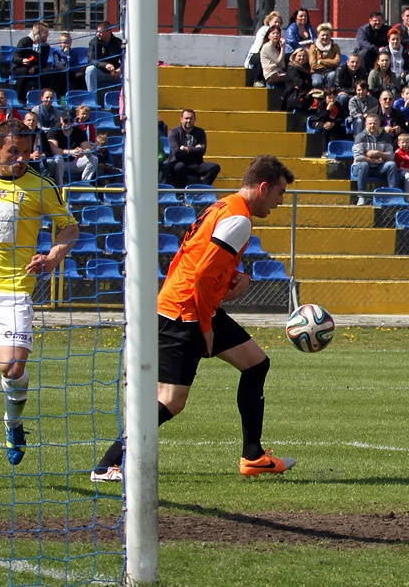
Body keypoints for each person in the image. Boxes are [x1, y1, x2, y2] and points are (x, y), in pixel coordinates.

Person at [91, 155, 297, 483]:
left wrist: (241, 276)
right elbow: (202, 274)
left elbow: (201, 256)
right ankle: (108, 464)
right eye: (280, 193)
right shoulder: (239, 219)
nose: (280, 201)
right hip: (185, 311)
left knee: (256, 363)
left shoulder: (225, 207)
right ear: (262, 188)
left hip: (193, 304)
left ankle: (253, 456)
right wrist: (205, 328)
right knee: (171, 400)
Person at [0, 119, 79, 466]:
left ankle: (13, 422)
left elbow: (68, 228)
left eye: (26, 152)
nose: (21, 159)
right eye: (13, 152)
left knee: (12, 368)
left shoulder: (40, 187)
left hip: (14, 288)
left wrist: (53, 255)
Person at [351, 114, 400, 205]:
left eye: (375, 123)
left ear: (379, 124)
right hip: (361, 168)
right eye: (370, 123)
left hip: (378, 167)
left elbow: (390, 155)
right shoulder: (360, 137)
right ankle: (361, 196)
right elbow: (358, 157)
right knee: (364, 164)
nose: (372, 125)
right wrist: (374, 160)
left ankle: (394, 195)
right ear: (366, 124)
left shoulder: (385, 137)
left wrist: (378, 153)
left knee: (391, 165)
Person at [166, 109, 220, 187]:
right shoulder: (173, 133)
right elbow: (176, 153)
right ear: (181, 119)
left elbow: (202, 150)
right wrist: (194, 149)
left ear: (195, 120)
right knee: (180, 167)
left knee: (215, 167)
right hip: (179, 163)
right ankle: (182, 192)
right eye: (186, 118)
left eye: (191, 118)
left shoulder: (200, 132)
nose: (188, 121)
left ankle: (201, 189)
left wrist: (186, 149)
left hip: (196, 164)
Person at [47, 113, 98, 185]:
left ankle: (84, 185)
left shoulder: (79, 132)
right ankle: (60, 187)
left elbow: (88, 150)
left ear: (74, 121)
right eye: (65, 121)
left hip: (74, 162)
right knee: (58, 158)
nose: (67, 124)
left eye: (70, 121)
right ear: (61, 120)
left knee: (93, 159)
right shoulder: (54, 131)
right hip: (60, 164)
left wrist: (82, 152)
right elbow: (54, 150)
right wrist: (70, 152)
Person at [12, 21, 51, 102]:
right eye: (45, 33)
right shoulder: (25, 42)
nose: (47, 35)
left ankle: (45, 97)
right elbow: (15, 58)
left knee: (48, 72)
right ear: (37, 33)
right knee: (24, 71)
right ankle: (20, 99)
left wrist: (34, 69)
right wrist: (23, 60)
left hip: (35, 69)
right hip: (21, 67)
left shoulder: (45, 46)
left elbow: (43, 63)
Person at [85, 21, 123, 99]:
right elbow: (91, 60)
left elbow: (125, 60)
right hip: (100, 72)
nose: (98, 34)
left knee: (128, 73)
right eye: (97, 31)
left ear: (108, 32)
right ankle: (92, 99)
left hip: (115, 74)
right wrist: (105, 65)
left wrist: (119, 70)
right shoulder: (93, 43)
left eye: (100, 32)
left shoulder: (118, 42)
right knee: (90, 70)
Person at [244, 11, 282, 87]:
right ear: (269, 22)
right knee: (263, 58)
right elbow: (261, 48)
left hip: (273, 57)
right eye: (275, 22)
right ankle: (257, 80)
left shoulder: (280, 32)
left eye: (279, 22)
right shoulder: (264, 30)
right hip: (256, 54)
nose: (277, 24)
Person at [23, 110, 60, 179]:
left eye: (33, 120)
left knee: (51, 162)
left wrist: (42, 155)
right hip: (25, 160)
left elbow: (48, 151)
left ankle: (46, 182)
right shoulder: (19, 134)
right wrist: (31, 156)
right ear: (24, 121)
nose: (31, 122)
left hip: (39, 160)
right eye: (29, 120)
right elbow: (16, 153)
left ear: (37, 122)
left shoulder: (40, 133)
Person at [312, 87, 346, 156]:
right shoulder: (321, 105)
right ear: (325, 98)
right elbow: (321, 118)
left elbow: (340, 118)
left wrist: (334, 123)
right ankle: (324, 151)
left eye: (333, 98)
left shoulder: (338, 105)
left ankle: (339, 150)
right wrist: (327, 110)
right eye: (329, 98)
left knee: (341, 129)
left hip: (332, 123)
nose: (331, 100)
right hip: (319, 121)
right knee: (325, 128)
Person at [308, 22, 341, 90]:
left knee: (332, 76)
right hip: (316, 73)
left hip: (330, 72)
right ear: (318, 35)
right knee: (317, 82)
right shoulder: (313, 47)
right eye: (323, 35)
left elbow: (337, 62)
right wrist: (330, 63)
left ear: (330, 35)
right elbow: (313, 65)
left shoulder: (335, 47)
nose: (325, 37)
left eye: (327, 35)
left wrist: (321, 61)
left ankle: (329, 94)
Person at [49, 32, 83, 97]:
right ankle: (60, 97)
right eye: (64, 43)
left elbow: (77, 67)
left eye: (68, 42)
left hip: (70, 72)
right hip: (59, 73)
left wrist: (69, 64)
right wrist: (65, 56)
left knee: (80, 76)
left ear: (71, 43)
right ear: (60, 43)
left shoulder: (73, 53)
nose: (66, 45)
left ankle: (79, 96)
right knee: (62, 75)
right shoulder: (56, 52)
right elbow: (56, 65)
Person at [259, 25, 286, 89]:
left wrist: (273, 65)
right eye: (273, 33)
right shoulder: (267, 47)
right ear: (268, 36)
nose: (275, 35)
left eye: (277, 33)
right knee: (292, 77)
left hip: (279, 72)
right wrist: (283, 48)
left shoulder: (276, 47)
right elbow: (279, 62)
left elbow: (283, 65)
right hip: (271, 75)